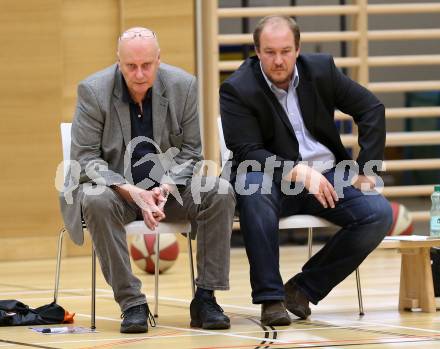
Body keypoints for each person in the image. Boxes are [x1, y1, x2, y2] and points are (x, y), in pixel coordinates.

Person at [59, 27, 235, 333]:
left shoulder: (184, 86)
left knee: (219, 190)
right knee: (94, 199)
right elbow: (85, 159)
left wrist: (165, 187)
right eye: (131, 66)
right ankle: (133, 304)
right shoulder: (93, 90)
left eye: (147, 65)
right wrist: (130, 191)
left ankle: (206, 298)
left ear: (158, 59)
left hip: (169, 191)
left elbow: (192, 152)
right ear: (118, 62)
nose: (139, 74)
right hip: (118, 193)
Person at [220, 15, 393, 326]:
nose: (278, 60)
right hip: (271, 177)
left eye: (285, 51)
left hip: (327, 176)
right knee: (253, 190)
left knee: (377, 213)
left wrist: (368, 167)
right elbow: (247, 151)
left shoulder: (322, 70)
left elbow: (371, 108)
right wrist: (298, 171)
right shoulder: (237, 88)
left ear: (297, 49)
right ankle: (270, 299)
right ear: (257, 52)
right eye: (269, 52)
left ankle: (302, 289)